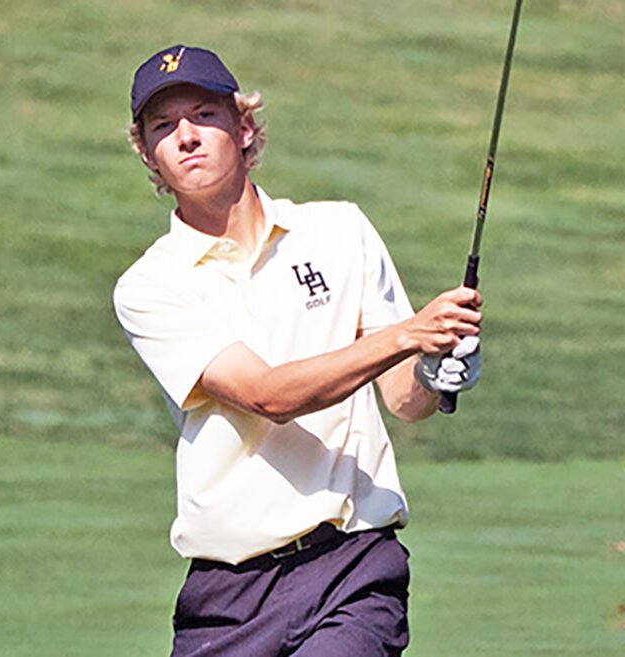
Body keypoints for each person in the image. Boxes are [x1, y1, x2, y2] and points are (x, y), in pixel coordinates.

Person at [113, 44, 483, 657]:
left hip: (354, 569)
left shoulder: (340, 231)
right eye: (162, 127)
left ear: (244, 126)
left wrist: (437, 368)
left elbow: (404, 400)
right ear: (149, 156)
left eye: (204, 115)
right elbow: (266, 396)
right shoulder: (151, 285)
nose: (186, 137)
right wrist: (409, 335)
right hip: (228, 596)